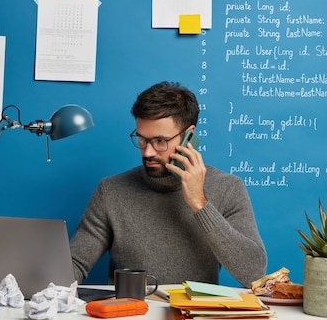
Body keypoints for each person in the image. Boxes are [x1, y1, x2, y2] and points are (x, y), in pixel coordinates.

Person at [70, 81, 267, 287]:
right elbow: (76, 263)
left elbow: (253, 273)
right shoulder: (111, 191)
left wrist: (199, 204)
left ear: (188, 136)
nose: (148, 152)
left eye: (160, 141)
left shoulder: (227, 188)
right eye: (142, 139)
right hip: (130, 314)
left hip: (194, 316)